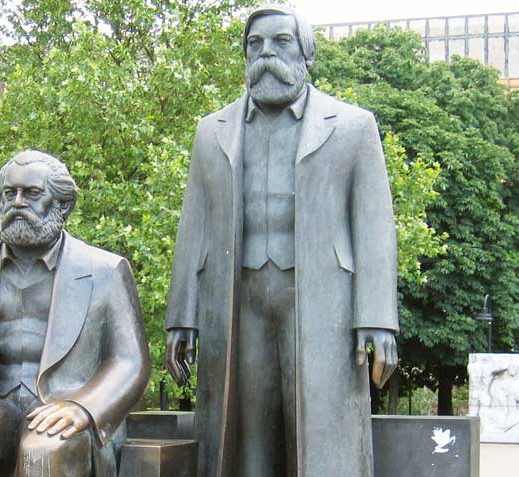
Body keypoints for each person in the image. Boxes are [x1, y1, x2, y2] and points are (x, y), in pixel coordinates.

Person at [163, 5, 399, 477]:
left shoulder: (353, 126)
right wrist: (181, 317)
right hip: (237, 300)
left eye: (280, 42)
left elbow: (374, 224)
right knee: (247, 433)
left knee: (319, 429)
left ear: (306, 52)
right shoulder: (212, 131)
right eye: (255, 44)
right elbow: (195, 225)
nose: (266, 53)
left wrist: (376, 317)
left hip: (322, 300)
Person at [0, 150, 150, 477]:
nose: (18, 202)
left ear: (62, 205)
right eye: (10, 194)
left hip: (66, 405)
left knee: (44, 450)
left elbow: (129, 362)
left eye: (33, 194)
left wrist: (83, 408)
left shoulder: (105, 270)